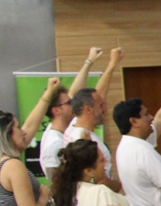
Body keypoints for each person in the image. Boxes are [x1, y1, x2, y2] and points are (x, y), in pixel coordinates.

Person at [39, 47, 116, 183]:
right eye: (69, 103)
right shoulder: (54, 143)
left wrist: (90, 61)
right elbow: (59, 182)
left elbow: (89, 95)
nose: (74, 103)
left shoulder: (69, 125)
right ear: (56, 111)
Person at [66, 84, 120, 189]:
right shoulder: (82, 140)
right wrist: (119, 185)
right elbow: (98, 180)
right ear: (88, 110)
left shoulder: (73, 126)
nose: (105, 109)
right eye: (101, 106)